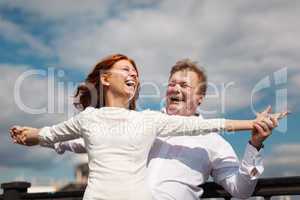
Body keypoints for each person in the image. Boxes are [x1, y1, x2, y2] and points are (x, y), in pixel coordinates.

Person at [10, 54, 286, 200]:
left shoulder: (214, 142)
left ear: (200, 97)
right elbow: (88, 138)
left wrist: (254, 144)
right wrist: (41, 137)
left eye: (184, 85)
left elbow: (241, 190)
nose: (175, 88)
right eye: (171, 83)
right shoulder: (143, 121)